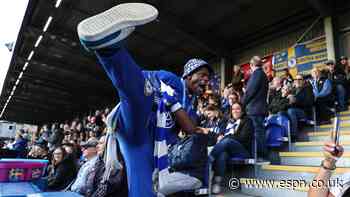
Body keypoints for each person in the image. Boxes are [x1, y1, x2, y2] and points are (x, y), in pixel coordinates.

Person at [77, 3, 213, 197]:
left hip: (146, 146)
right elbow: (138, 79)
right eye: (202, 74)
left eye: (208, 78)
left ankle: (106, 45)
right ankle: (108, 48)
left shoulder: (190, 108)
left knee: (144, 190)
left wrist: (178, 108)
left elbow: (189, 129)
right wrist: (160, 92)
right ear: (188, 75)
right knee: (142, 94)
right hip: (137, 119)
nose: (205, 80)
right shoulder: (171, 80)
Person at [209, 102, 253, 194]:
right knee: (223, 155)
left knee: (228, 141)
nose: (235, 111)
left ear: (242, 110)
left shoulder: (247, 121)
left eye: (238, 109)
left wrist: (225, 138)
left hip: (243, 150)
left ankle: (209, 159)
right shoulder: (229, 122)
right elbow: (223, 135)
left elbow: (243, 138)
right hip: (228, 149)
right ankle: (217, 182)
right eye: (233, 109)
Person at [242, 56, 268, 159]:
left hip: (255, 110)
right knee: (258, 132)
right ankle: (260, 155)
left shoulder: (257, 74)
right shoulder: (262, 74)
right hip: (258, 109)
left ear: (251, 65)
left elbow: (250, 92)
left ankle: (261, 156)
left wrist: (241, 103)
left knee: (258, 133)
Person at [287, 74, 314, 138]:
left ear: (303, 81)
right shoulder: (292, 90)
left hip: (304, 111)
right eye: (296, 79)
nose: (297, 81)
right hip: (293, 109)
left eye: (300, 79)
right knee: (282, 113)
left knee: (291, 111)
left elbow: (309, 102)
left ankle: (294, 134)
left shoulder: (307, 89)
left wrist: (295, 100)